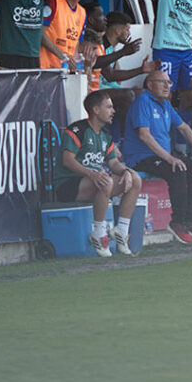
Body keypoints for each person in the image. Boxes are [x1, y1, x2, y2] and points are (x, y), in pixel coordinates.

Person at [122, 71, 192, 244]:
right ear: (149, 85)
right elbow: (144, 136)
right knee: (176, 169)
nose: (166, 86)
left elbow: (184, 128)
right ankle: (176, 222)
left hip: (162, 157)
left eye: (169, 83)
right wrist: (170, 158)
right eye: (161, 82)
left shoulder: (165, 104)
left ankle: (190, 221)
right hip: (141, 157)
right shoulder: (143, 101)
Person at [58, 90, 142, 257]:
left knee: (135, 179)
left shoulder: (105, 135)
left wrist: (125, 171)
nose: (113, 111)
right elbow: (67, 160)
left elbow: (113, 163)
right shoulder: (77, 130)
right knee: (105, 180)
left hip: (94, 183)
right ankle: (98, 234)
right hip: (68, 184)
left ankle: (121, 232)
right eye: (109, 107)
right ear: (96, 110)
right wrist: (92, 174)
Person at [40, 0, 92, 69]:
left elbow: (75, 44)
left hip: (65, 70)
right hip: (46, 67)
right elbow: (40, 33)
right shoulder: (54, 1)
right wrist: (62, 55)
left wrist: (75, 65)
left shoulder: (82, 12)